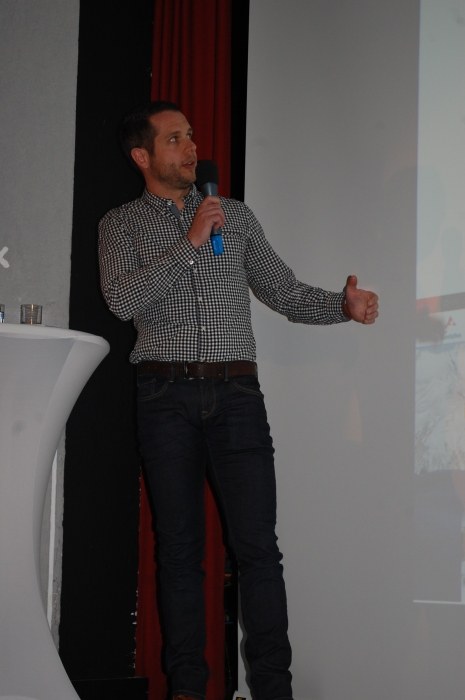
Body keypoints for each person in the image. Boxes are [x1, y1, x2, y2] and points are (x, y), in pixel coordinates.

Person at [98, 100, 379, 700]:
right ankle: (188, 689)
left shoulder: (236, 216)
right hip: (164, 395)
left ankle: (274, 689)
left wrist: (341, 305)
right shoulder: (121, 224)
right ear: (142, 156)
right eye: (175, 139)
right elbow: (123, 302)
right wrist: (191, 242)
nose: (191, 148)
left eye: (191, 136)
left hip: (237, 396)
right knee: (180, 552)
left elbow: (284, 292)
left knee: (259, 550)